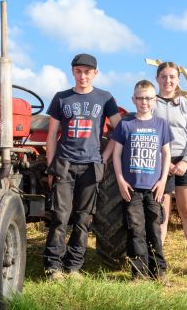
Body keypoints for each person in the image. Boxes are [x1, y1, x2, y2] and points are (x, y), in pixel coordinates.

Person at [44, 53, 121, 280]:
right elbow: (51, 135)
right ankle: (53, 267)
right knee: (60, 216)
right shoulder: (61, 98)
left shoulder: (105, 98)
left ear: (95, 73)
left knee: (83, 218)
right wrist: (51, 166)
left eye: (87, 72)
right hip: (65, 164)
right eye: (78, 71)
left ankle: (74, 266)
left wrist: (104, 156)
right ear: (72, 72)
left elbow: (120, 130)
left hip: (90, 166)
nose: (83, 76)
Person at [111, 80, 172, 282]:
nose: (144, 102)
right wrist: (120, 180)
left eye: (148, 98)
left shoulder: (161, 125)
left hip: (154, 188)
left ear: (154, 100)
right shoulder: (126, 125)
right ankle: (139, 273)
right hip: (132, 188)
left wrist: (163, 181)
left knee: (154, 229)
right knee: (135, 229)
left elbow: (166, 155)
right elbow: (116, 155)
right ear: (133, 100)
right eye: (140, 98)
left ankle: (159, 271)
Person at [152, 61, 187, 277]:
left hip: (185, 161)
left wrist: (184, 161)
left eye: (172, 77)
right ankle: (158, 260)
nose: (168, 80)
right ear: (157, 79)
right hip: (160, 160)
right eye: (164, 76)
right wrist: (166, 162)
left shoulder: (185, 104)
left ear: (178, 80)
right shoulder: (151, 103)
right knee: (162, 213)